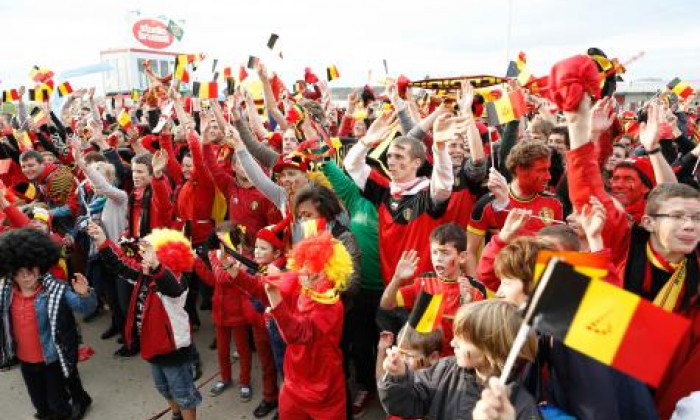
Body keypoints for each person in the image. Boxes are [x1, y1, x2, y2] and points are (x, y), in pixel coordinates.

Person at [87, 223, 201, 420]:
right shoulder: (144, 276)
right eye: (146, 256)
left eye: (151, 256)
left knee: (184, 395)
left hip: (174, 350)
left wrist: (156, 266)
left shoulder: (177, 282)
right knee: (164, 388)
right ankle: (176, 415)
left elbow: (172, 288)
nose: (143, 260)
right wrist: (103, 241)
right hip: (152, 346)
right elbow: (121, 265)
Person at [378, 300, 541, 420]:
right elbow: (406, 404)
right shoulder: (444, 371)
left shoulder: (522, 407)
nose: (452, 343)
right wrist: (398, 377)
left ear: (490, 349)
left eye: (462, 339)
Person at [343, 111, 457, 283]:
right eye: (389, 156)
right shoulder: (384, 190)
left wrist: (440, 148)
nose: (391, 161)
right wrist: (366, 141)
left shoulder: (427, 193)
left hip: (422, 291)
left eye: (399, 156)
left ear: (416, 163)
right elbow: (351, 165)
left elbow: (444, 184)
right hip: (391, 290)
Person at [0, 228, 97, 420]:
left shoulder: (55, 289)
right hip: (25, 361)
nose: (26, 277)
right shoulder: (5, 293)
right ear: (11, 272)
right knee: (40, 404)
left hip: (51, 359)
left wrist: (84, 294)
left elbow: (85, 308)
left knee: (58, 405)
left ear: (41, 266)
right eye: (20, 272)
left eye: (31, 270)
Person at [260, 232, 353, 419]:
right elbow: (259, 287)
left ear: (332, 273)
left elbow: (297, 333)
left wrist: (275, 301)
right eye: (305, 267)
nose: (309, 274)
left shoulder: (332, 305)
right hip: (293, 385)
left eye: (319, 271)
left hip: (324, 391)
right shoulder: (303, 289)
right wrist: (234, 271)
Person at [380, 223, 486, 354]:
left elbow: (478, 335)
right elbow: (386, 304)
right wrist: (397, 278)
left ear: (462, 257)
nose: (438, 259)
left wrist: (467, 304)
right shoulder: (424, 282)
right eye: (434, 252)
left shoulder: (475, 290)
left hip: (457, 362)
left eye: (445, 253)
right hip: (425, 365)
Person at [466, 140, 564, 278]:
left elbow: (557, 251)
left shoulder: (554, 203)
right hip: (497, 287)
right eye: (542, 170)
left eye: (548, 169)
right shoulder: (487, 204)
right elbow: (470, 252)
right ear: (520, 170)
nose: (549, 176)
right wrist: (477, 289)